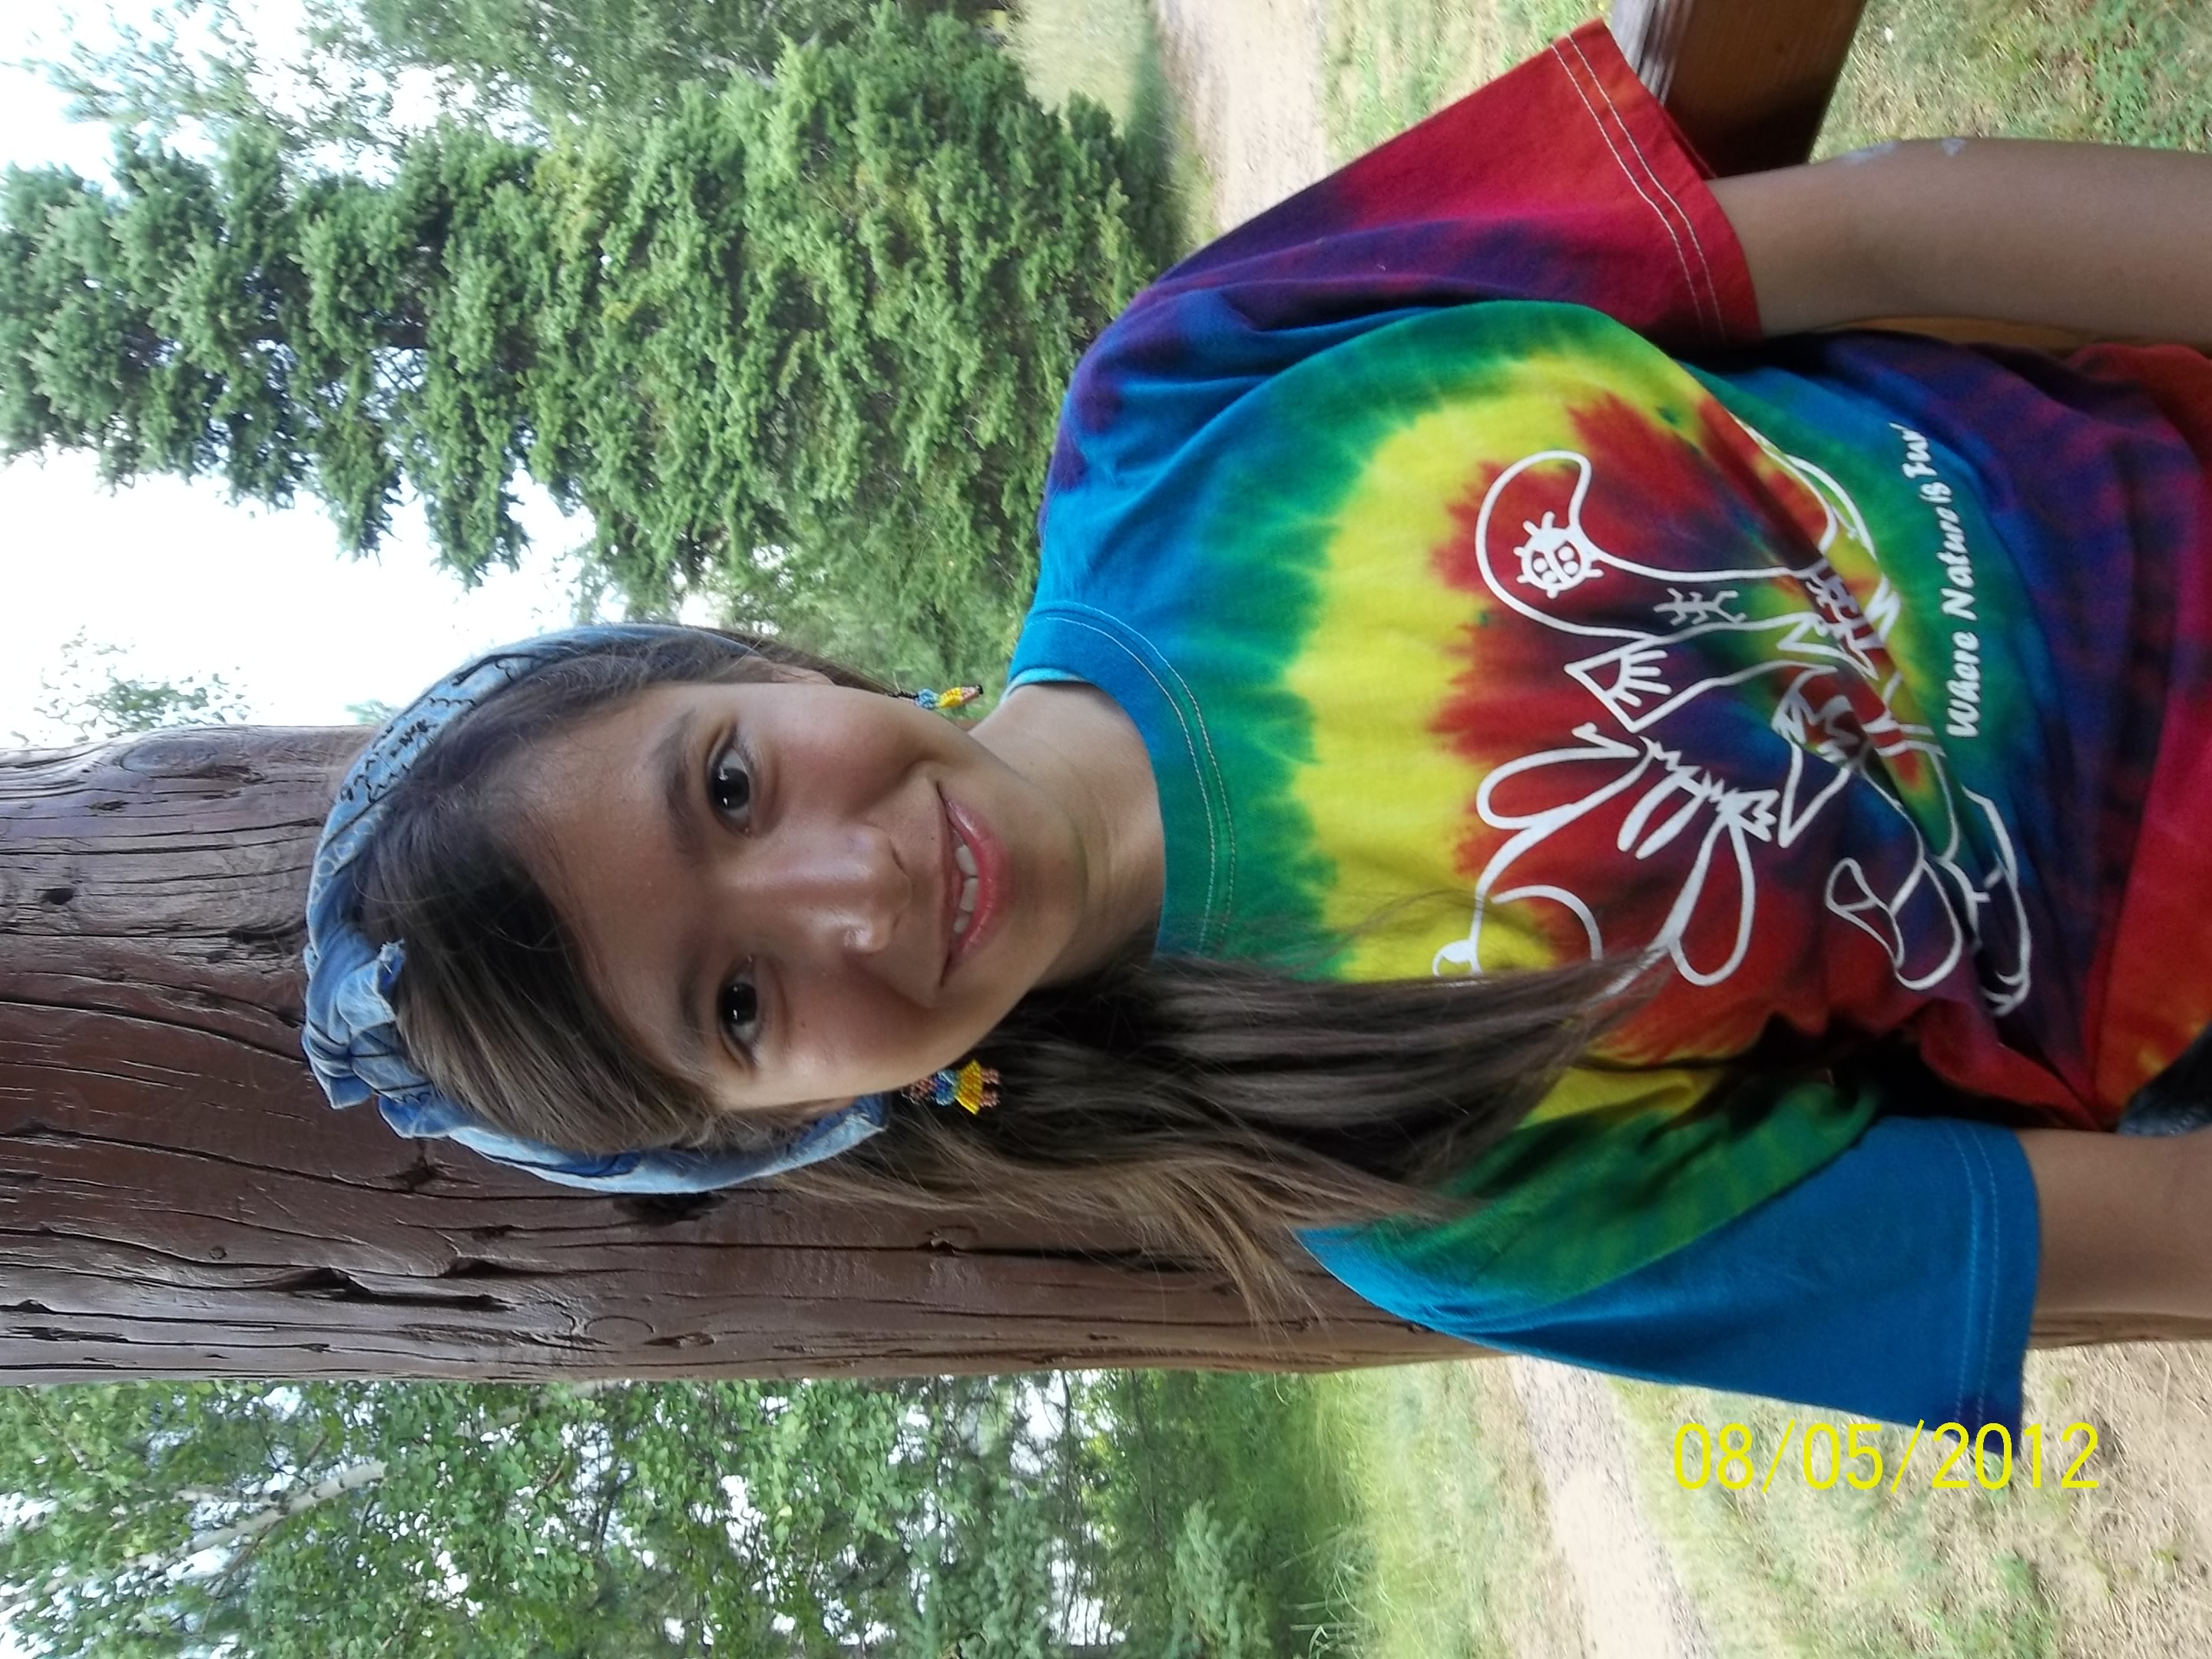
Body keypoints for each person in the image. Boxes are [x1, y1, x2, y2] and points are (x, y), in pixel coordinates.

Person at [303, 22, 2212, 1433]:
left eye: (728, 785)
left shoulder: (1178, 398)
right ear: (794, 1124)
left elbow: (1854, 241)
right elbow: (2133, 1233)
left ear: (752, 665)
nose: (851, 889)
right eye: (739, 1005)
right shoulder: (1402, 1185)